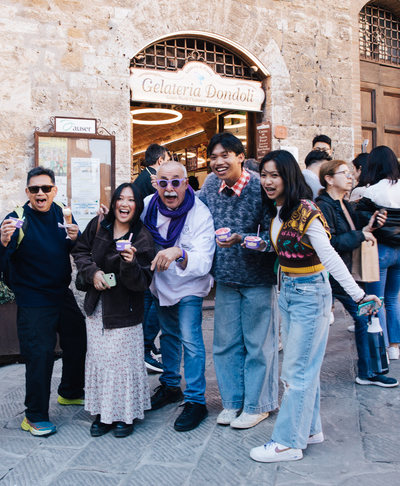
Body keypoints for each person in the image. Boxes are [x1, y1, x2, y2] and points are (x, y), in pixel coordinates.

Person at [250, 150, 380, 463]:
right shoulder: (279, 209)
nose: (268, 181)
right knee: (305, 367)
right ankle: (309, 430)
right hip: (290, 291)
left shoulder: (305, 209)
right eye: (264, 175)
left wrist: (357, 294)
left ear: (289, 176)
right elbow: (287, 248)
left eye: (274, 175)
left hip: (310, 293)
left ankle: (287, 443)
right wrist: (252, 242)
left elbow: (329, 255)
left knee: (296, 371)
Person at [0, 166, 87, 437]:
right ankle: (35, 415)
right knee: (40, 355)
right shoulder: (16, 219)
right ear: (27, 192)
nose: (40, 193)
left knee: (77, 339)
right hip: (33, 299)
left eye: (46, 188)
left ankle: (70, 392)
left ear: (54, 190)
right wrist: (3, 241)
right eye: (34, 189)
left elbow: (73, 249)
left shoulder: (63, 213)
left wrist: (77, 240)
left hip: (60, 293)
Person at [198, 132, 279, 430]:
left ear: (240, 157)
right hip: (226, 279)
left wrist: (242, 239)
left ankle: (258, 405)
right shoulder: (209, 185)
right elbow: (191, 213)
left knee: (259, 345)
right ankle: (233, 402)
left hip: (258, 277)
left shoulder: (261, 186)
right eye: (214, 156)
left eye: (225, 155)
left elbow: (277, 233)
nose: (218, 162)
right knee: (225, 344)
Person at [71, 183, 154, 438]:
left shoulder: (141, 237)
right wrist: (92, 272)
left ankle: (124, 416)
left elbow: (142, 283)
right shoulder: (99, 226)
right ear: (115, 202)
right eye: (120, 199)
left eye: (131, 200)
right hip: (97, 310)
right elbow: (80, 251)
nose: (124, 204)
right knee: (100, 362)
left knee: (122, 367)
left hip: (125, 313)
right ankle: (103, 414)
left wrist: (129, 264)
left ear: (137, 205)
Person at [141, 161, 216, 432]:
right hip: (161, 283)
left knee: (190, 338)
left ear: (186, 183)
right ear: (156, 184)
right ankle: (171, 386)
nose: (169, 189)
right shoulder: (148, 205)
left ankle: (196, 400)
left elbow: (205, 258)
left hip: (190, 284)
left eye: (176, 182)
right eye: (163, 182)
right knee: (169, 335)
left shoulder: (199, 213)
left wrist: (179, 253)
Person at [316, 160, 397, 387]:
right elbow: (330, 243)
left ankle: (369, 371)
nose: (350, 177)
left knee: (365, 316)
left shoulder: (344, 203)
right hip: (333, 274)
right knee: (364, 315)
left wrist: (371, 225)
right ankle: (368, 372)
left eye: (351, 173)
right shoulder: (323, 206)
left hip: (346, 272)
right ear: (329, 179)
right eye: (344, 173)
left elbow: (355, 231)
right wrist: (362, 235)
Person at [355, 146, 400, 360]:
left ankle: (381, 348)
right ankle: (394, 347)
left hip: (380, 250)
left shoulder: (372, 191)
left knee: (377, 299)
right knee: (393, 298)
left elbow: (361, 218)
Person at [134, 143, 170, 372]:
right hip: (150, 247)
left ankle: (144, 345)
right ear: (159, 161)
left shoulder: (142, 178)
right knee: (158, 300)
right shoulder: (152, 180)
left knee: (149, 298)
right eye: (167, 160)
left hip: (144, 246)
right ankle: (145, 347)